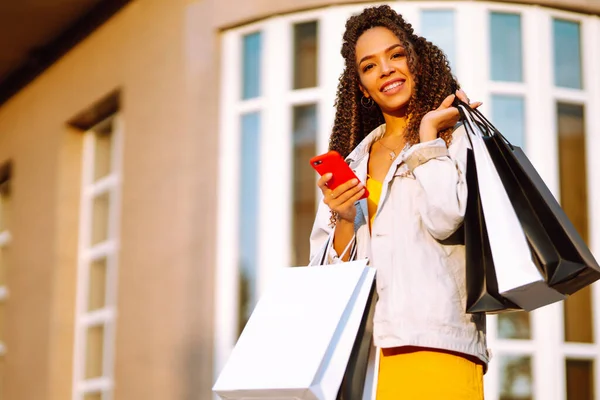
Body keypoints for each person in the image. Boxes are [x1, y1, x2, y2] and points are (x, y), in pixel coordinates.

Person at [309, 5, 489, 399]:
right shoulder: (353, 159)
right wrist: (342, 219)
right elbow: (328, 281)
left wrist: (427, 139)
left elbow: (447, 218)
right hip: (364, 358)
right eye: (369, 66)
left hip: (438, 343)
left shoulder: (455, 139)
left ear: (416, 60)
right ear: (360, 85)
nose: (386, 70)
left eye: (395, 55)